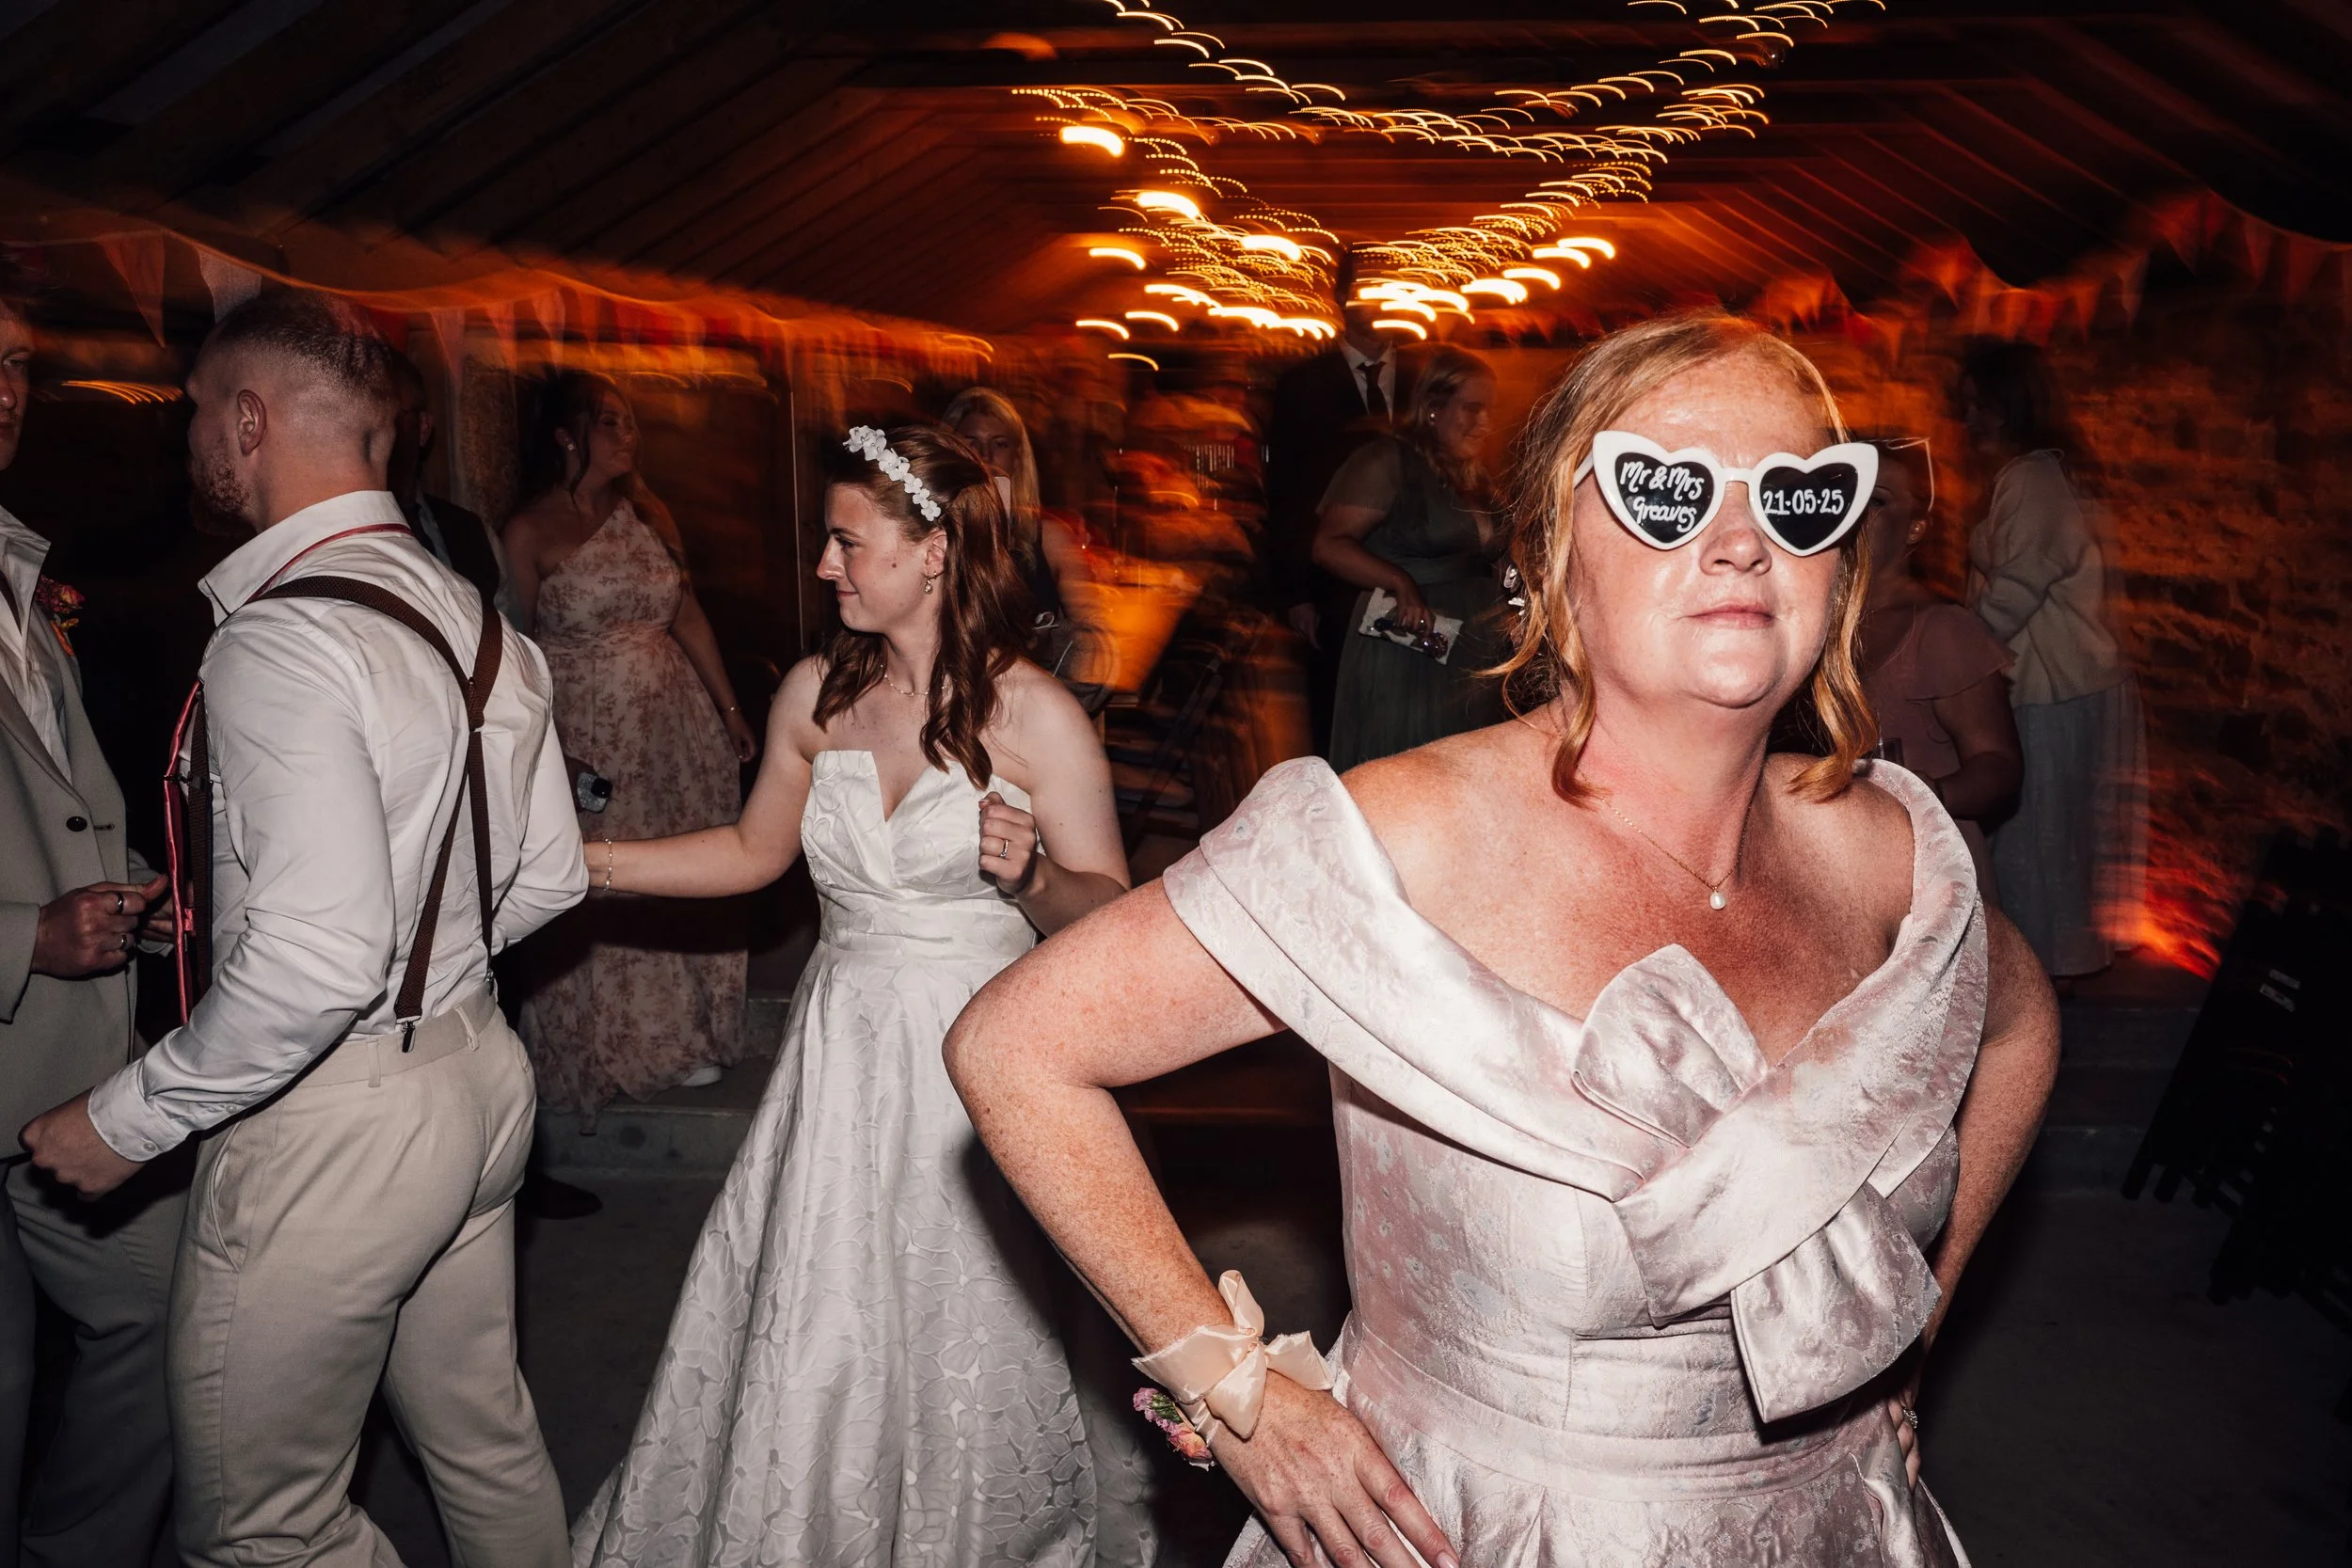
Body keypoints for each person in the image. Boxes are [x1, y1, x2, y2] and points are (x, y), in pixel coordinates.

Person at [946, 313, 2062, 1568]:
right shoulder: (1396, 838)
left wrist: (1914, 1324)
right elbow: (1018, 1046)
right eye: (1666, 488)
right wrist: (1237, 1395)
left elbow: (2017, 1022)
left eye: (1801, 496)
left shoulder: (1892, 853)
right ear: (1549, 546)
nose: (1743, 539)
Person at [22, 288, 585, 1566]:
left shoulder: (280, 640)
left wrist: (127, 1118)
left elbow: (320, 961)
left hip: (334, 1122)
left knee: (265, 1527)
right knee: (486, 1441)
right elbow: (547, 875)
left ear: (251, 419)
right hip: (480, 1076)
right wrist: (407, 944)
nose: (185, 443)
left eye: (194, 415)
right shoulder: (475, 612)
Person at [572, 424, 1151, 1566]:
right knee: (821, 1309)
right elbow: (748, 853)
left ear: (932, 550)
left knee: (964, 1321)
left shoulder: (1035, 714)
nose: (826, 566)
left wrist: (1034, 875)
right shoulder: (813, 691)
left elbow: (1113, 922)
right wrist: (580, 862)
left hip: (975, 1060)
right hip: (838, 1062)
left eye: (846, 541)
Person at [0, 263, 181, 1568]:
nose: (6, 393)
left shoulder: (22, 563)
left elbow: (61, 802)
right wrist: (23, 938)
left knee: (160, 1310)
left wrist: (125, 903)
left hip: (57, 1064)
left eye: (15, 365)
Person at [504, 372, 755, 1109]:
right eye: (610, 421)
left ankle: (686, 1036)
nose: (628, 436)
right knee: (604, 879)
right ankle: (610, 1048)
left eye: (630, 422)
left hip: (673, 726)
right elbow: (519, 647)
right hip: (589, 727)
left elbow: (689, 613)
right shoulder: (528, 530)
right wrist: (545, 742)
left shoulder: (647, 511)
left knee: (679, 866)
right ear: (566, 435)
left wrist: (730, 707)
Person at [1959, 340, 2144, 976]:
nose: (1968, 420)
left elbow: (2017, 588)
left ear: (2008, 406)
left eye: (1977, 406)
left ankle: (2047, 972)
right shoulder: (2047, 472)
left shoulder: (2033, 477)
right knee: (2060, 834)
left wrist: (1952, 663)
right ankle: (2059, 964)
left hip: (2053, 687)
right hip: (2070, 681)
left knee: (2044, 835)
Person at [1312, 344, 1507, 769]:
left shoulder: (1474, 475)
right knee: (1411, 770)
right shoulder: (1386, 460)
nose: (1485, 423)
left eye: (1489, 411)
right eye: (1472, 409)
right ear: (1434, 408)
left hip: (1470, 653)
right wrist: (1401, 583)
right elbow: (1329, 545)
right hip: (1408, 650)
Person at [1857, 436, 2022, 900]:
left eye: (1876, 500)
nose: (1855, 512)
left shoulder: (1941, 631)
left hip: (1925, 876)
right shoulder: (1812, 622)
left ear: (1914, 528)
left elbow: (2000, 767)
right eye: (1848, 493)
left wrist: (1925, 794)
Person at [1265, 249, 1417, 752]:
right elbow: (1286, 491)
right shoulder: (1302, 385)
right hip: (1334, 582)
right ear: (1341, 298)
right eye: (1368, 289)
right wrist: (1296, 593)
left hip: (1419, 574)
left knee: (1411, 719)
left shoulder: (1428, 378)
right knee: (1339, 720)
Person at [944, 386, 1088, 632]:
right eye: (972, 443)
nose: (986, 456)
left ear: (1018, 457)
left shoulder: (1051, 538)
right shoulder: (932, 536)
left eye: (1000, 445)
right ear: (950, 450)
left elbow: (1092, 628)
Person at [387, 346, 515, 623]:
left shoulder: (471, 531)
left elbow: (508, 633)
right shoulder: (334, 538)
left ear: (422, 428)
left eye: (393, 414)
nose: (380, 431)